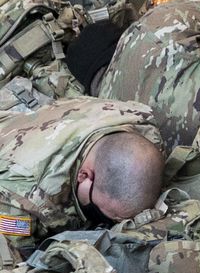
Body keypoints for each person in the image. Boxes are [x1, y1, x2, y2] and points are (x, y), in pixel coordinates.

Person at [0, 95, 165, 249]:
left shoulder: (141, 122)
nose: (110, 223)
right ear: (84, 176)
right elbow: (18, 251)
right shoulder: (23, 193)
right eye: (103, 214)